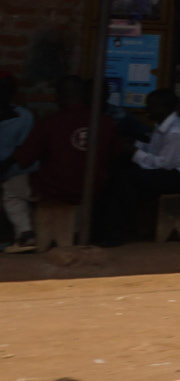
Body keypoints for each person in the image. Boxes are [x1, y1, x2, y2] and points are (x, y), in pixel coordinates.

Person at [3, 76, 107, 250]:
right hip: (91, 189)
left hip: (54, 188)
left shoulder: (51, 124)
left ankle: (25, 234)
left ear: (60, 96)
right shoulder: (105, 123)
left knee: (10, 189)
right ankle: (73, 235)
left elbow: (24, 158)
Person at [100, 89, 180, 247]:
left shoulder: (175, 131)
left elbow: (163, 165)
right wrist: (135, 145)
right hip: (167, 172)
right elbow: (154, 151)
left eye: (152, 107)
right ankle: (110, 225)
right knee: (118, 168)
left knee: (127, 178)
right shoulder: (163, 127)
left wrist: (134, 152)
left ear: (165, 108)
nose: (147, 110)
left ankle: (117, 232)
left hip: (179, 179)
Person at [0, 73, 38, 253]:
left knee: (12, 192)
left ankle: (25, 236)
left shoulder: (24, 117)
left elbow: (24, 151)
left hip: (16, 170)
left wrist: (5, 165)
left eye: (6, 89)